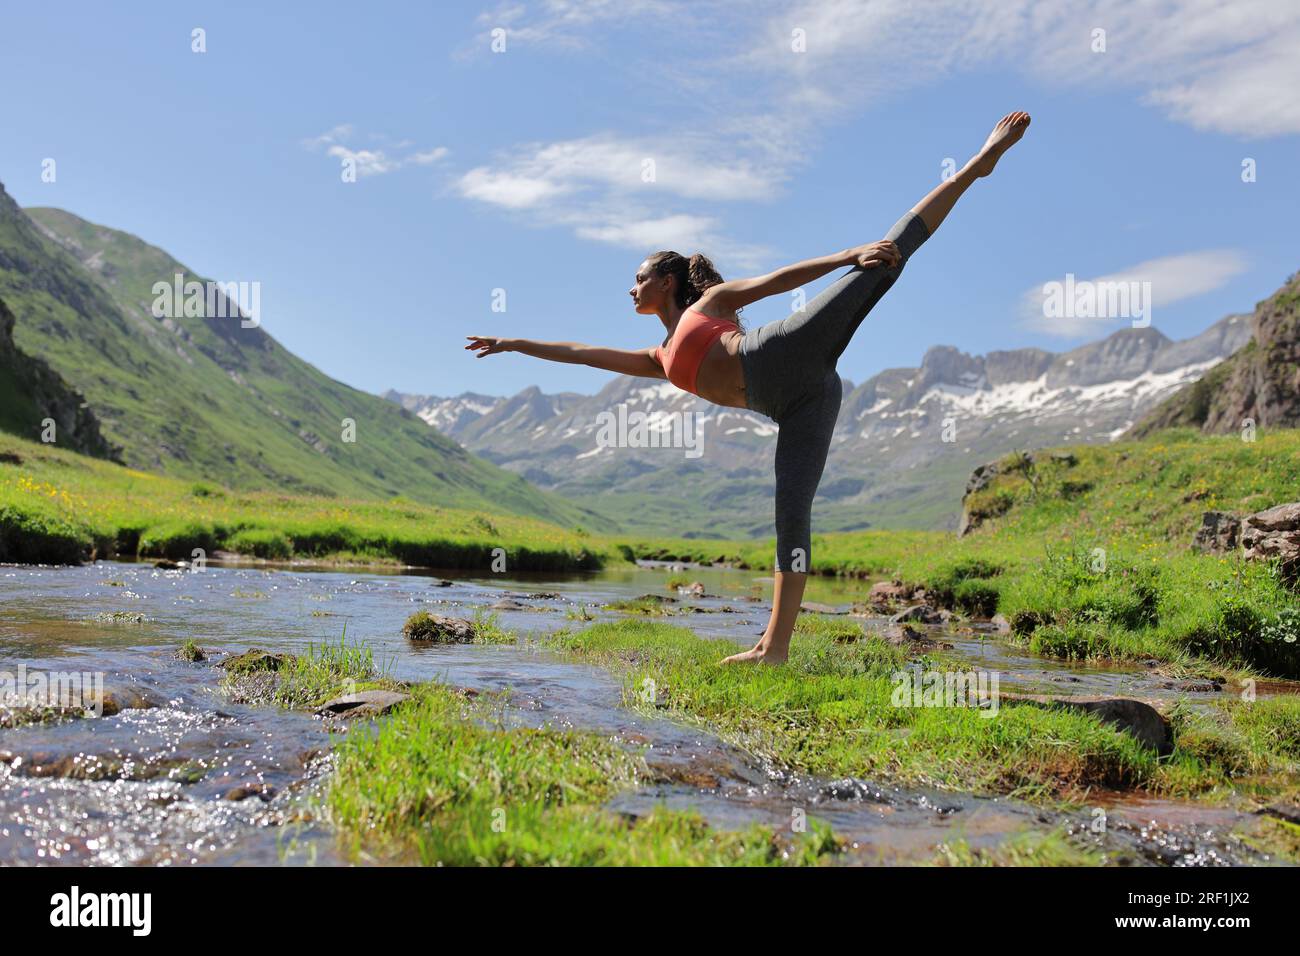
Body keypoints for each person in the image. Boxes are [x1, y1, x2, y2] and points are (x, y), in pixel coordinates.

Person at [467, 112, 1031, 664]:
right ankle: (773, 649)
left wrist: (846, 256)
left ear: (666, 283)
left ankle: (979, 163)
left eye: (638, 279)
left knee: (883, 258)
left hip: (786, 348)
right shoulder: (658, 358)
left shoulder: (708, 306)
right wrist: (516, 343)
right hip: (800, 401)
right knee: (792, 517)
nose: (631, 288)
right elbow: (583, 355)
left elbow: (777, 281)